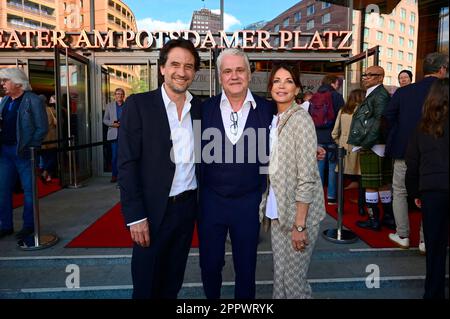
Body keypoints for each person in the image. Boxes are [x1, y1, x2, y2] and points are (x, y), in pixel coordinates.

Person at [118, 38, 201, 299]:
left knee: (172, 282)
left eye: (189, 66)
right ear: (162, 68)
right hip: (152, 212)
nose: (182, 71)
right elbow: (127, 163)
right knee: (145, 285)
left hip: (187, 209)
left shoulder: (200, 108)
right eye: (175, 64)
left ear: (194, 72)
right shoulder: (139, 105)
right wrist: (135, 216)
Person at [199, 49, 274, 299]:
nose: (234, 76)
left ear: (249, 74)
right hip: (211, 201)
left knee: (246, 267)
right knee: (209, 265)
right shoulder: (203, 109)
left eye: (240, 70)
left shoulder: (267, 109)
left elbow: (286, 140)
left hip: (249, 202)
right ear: (220, 77)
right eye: (228, 71)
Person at [259, 62, 325, 299]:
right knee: (280, 278)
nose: (282, 86)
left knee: (295, 284)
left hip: (299, 214)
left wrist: (300, 225)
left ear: (297, 89)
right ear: (270, 87)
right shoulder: (274, 119)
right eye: (277, 81)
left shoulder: (300, 119)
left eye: (288, 81)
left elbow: (307, 177)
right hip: (278, 211)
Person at [384, 53, 448, 251]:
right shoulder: (445, 92)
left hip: (404, 150)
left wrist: (396, 136)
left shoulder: (404, 92)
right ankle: (424, 240)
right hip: (437, 154)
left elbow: (388, 116)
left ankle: (403, 234)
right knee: (428, 193)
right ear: (442, 70)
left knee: (401, 192)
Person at [405, 78, 449, 299]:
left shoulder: (422, 127)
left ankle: (433, 293)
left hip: (432, 189)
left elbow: (412, 162)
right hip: (435, 187)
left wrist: (414, 192)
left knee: (435, 247)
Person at [0, 68, 48, 240]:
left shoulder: (32, 100)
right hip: (5, 152)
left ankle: (29, 225)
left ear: (18, 83)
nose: (3, 84)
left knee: (29, 191)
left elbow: (42, 127)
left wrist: (31, 146)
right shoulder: (5, 101)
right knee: (3, 190)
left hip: (25, 152)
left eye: (6, 80)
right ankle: (5, 225)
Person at [348, 66, 395, 231]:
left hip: (373, 145)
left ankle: (374, 220)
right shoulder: (376, 93)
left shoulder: (380, 95)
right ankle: (388, 218)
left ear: (380, 77)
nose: (365, 77)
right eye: (365, 74)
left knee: (371, 183)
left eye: (370, 75)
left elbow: (378, 122)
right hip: (376, 144)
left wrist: (365, 143)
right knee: (382, 183)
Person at [331, 88, 366, 215]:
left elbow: (334, 132)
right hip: (359, 147)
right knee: (362, 180)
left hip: (344, 148)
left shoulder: (343, 111)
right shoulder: (365, 111)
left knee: (341, 178)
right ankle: (361, 208)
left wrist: (340, 142)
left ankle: (340, 206)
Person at [313, 75, 345, 205]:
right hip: (332, 136)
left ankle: (317, 197)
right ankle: (331, 197)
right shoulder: (336, 96)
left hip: (318, 136)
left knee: (318, 167)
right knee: (333, 168)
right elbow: (341, 116)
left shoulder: (315, 96)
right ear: (334, 83)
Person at [103, 88, 125, 183]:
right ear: (114, 95)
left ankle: (123, 176)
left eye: (120, 94)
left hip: (124, 135)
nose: (119, 95)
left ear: (123, 95)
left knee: (124, 156)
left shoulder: (127, 106)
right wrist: (113, 124)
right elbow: (105, 120)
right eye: (117, 94)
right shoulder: (109, 106)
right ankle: (114, 175)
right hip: (114, 135)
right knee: (115, 156)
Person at [40, 94, 57, 183]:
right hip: (51, 137)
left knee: (46, 158)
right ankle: (46, 173)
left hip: (42, 139)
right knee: (53, 157)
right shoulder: (51, 110)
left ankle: (48, 175)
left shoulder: (38, 112)